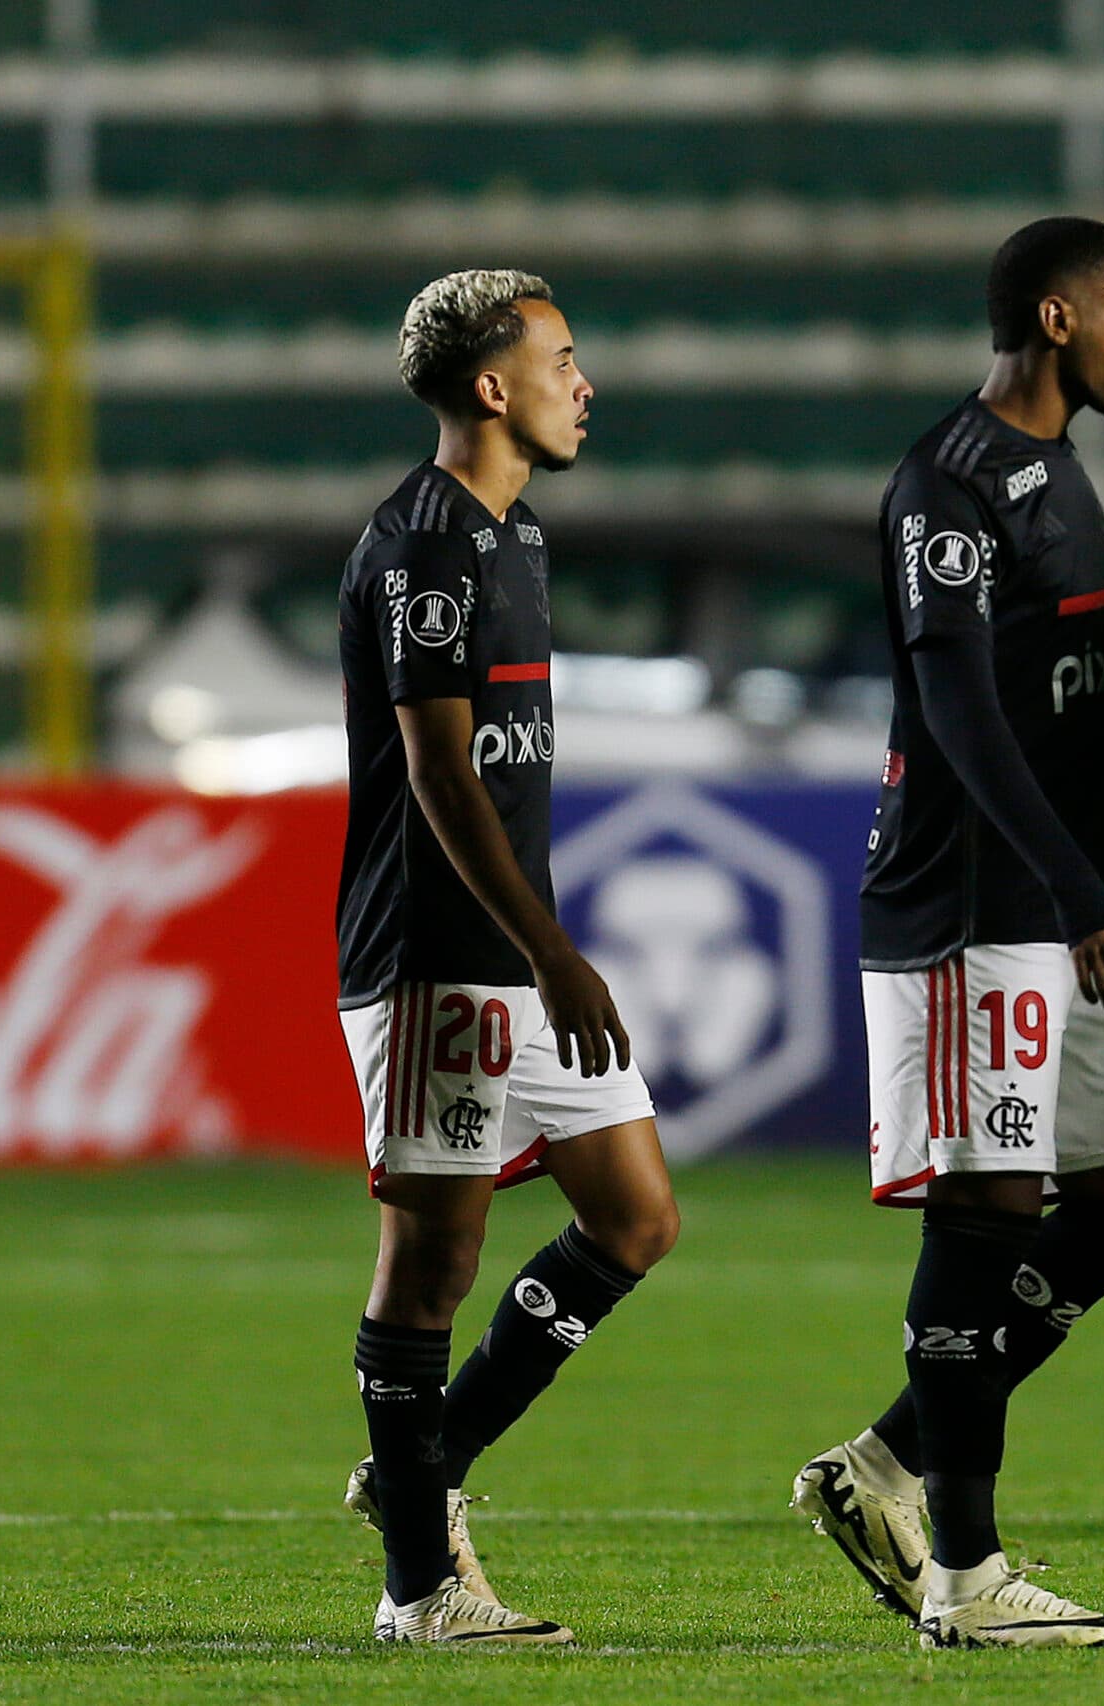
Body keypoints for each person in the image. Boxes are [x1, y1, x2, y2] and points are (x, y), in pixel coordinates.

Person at [791, 217, 1104, 1651]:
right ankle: (963, 1568)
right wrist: (1077, 891)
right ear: (1060, 315)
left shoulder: (1061, 472)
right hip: (969, 898)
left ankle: (888, 1459)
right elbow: (958, 708)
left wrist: (1078, 888)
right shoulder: (947, 484)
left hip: (1051, 899)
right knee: (990, 1210)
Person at [332, 270, 679, 1646]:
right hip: (438, 951)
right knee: (432, 1260)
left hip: (516, 949)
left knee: (636, 1213)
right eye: (563, 358)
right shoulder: (423, 544)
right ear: (493, 386)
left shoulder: (514, 537)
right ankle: (420, 1585)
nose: (583, 382)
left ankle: (420, 1468)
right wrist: (554, 950)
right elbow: (438, 772)